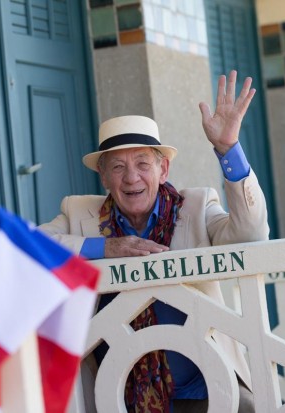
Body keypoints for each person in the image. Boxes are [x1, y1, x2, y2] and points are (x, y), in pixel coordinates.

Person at [39, 70, 269, 413]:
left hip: (205, 384)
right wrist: (105, 249)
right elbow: (30, 245)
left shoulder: (197, 205)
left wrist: (228, 149)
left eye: (143, 163)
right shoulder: (78, 213)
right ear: (102, 176)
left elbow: (250, 233)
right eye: (117, 167)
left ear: (163, 170)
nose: (131, 178)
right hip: (117, 395)